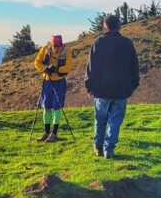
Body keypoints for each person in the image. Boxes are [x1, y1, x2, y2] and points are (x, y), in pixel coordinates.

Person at [84, 14, 139, 158]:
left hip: (101, 89)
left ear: (105, 26)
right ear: (119, 26)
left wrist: (89, 86)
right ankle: (109, 149)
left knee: (100, 118)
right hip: (121, 89)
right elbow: (134, 66)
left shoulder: (98, 42)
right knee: (115, 121)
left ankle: (98, 146)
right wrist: (133, 85)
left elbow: (91, 67)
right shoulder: (127, 43)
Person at [32, 34, 74, 142]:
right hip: (47, 81)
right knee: (46, 106)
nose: (56, 48)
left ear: (61, 44)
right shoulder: (45, 48)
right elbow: (37, 62)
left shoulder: (66, 50)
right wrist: (45, 68)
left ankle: (54, 133)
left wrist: (56, 69)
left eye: (58, 46)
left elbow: (69, 66)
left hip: (59, 82)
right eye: (54, 45)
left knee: (57, 107)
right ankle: (46, 132)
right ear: (51, 43)